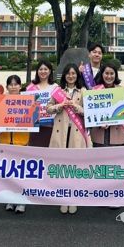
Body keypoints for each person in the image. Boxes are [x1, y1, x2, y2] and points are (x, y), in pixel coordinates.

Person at [47, 63, 90, 215]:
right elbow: (48, 108)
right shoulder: (58, 91)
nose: (71, 76)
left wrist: (76, 107)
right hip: (61, 132)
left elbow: (89, 111)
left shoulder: (83, 91)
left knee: (75, 167)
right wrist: (60, 105)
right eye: (68, 73)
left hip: (77, 132)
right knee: (62, 166)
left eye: (73, 73)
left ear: (77, 76)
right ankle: (63, 198)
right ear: (64, 75)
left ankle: (73, 198)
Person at [0, 75, 28, 214]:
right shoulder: (2, 101)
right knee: (8, 172)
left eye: (16, 84)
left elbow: (33, 121)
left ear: (20, 86)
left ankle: (22, 201)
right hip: (5, 141)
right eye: (10, 84)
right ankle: (10, 200)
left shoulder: (27, 101)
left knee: (21, 173)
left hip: (22, 142)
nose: (13, 87)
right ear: (7, 86)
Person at [91, 62, 124, 147]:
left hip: (117, 133)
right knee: (100, 155)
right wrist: (99, 123)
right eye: (106, 73)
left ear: (116, 75)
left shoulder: (121, 90)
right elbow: (91, 113)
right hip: (99, 133)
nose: (109, 76)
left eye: (112, 73)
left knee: (116, 155)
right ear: (102, 74)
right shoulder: (95, 90)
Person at [27, 60, 58, 147]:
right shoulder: (31, 87)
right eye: (40, 69)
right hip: (34, 127)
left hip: (50, 126)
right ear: (37, 71)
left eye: (45, 69)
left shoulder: (55, 87)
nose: (43, 71)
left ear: (50, 71)